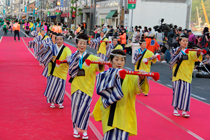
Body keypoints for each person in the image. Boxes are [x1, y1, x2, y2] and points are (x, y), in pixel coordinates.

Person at [91, 49, 149, 140]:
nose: (119, 62)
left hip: (123, 114)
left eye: (122, 60)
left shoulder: (130, 76)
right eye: (116, 59)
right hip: (109, 114)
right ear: (110, 61)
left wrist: (141, 78)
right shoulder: (105, 75)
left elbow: (136, 87)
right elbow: (102, 93)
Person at [68, 33, 105, 139]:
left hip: (87, 87)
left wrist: (101, 62)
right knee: (75, 108)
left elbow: (99, 67)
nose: (82, 45)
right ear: (77, 44)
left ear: (86, 44)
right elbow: (71, 71)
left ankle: (84, 130)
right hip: (76, 86)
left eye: (84, 43)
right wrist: (81, 65)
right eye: (80, 43)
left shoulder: (92, 57)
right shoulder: (73, 56)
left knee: (85, 109)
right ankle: (75, 128)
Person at [170, 35, 202, 118]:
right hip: (177, 74)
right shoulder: (175, 50)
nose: (185, 42)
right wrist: (182, 53)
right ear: (179, 41)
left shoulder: (191, 51)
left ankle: (184, 110)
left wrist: (198, 53)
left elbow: (197, 58)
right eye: (183, 41)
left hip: (187, 75)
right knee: (177, 93)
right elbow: (173, 60)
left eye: (186, 41)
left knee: (186, 94)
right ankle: (175, 109)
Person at [40, 33, 71, 108]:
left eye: (61, 39)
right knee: (51, 87)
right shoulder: (52, 47)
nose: (59, 41)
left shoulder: (66, 49)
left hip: (62, 70)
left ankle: (60, 102)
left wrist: (68, 59)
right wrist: (42, 47)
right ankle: (52, 102)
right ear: (55, 40)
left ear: (63, 40)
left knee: (61, 87)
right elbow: (45, 51)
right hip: (52, 69)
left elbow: (69, 56)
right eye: (57, 39)